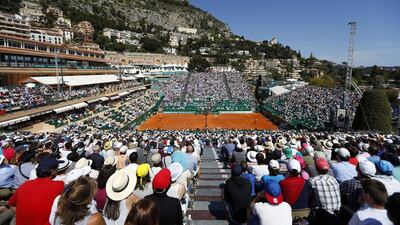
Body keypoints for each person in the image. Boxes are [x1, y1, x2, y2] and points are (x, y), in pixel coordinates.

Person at [8, 156, 64, 225]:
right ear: (52, 171)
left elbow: (11, 204)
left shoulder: (25, 185)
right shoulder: (59, 186)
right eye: (57, 168)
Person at [309, 158, 343, 225]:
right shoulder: (333, 179)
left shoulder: (312, 181)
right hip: (337, 212)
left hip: (323, 214)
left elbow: (308, 196)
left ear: (316, 168)